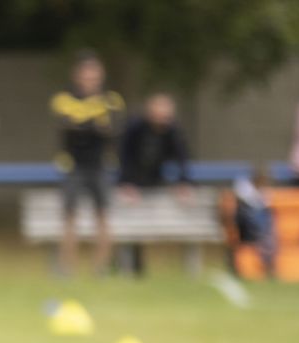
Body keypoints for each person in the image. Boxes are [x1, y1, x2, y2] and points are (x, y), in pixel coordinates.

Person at [50, 52, 125, 275]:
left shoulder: (112, 100)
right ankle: (66, 270)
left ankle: (100, 269)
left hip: (99, 165)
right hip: (74, 165)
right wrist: (94, 124)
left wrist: (87, 125)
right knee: (69, 217)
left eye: (94, 74)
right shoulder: (64, 99)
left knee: (102, 216)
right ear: (77, 75)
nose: (90, 78)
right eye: (86, 74)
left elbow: (113, 131)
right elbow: (67, 127)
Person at [117, 93, 193, 274]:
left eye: (166, 115)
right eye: (159, 113)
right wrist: (126, 183)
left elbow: (182, 158)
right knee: (130, 222)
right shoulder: (135, 128)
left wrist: (184, 183)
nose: (162, 119)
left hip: (155, 182)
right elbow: (124, 156)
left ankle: (155, 264)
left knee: (161, 215)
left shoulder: (172, 131)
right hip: (133, 184)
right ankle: (130, 263)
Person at [233, 167, 277, 278]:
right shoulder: (244, 186)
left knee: (269, 233)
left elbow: (265, 207)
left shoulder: (264, 191)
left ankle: (267, 264)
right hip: (244, 223)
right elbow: (245, 204)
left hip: (259, 226)